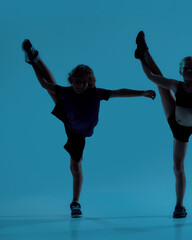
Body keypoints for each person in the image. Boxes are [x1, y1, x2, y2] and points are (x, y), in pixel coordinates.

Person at [22, 39, 156, 218]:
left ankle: (35, 58)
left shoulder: (96, 94)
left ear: (90, 82)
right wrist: (31, 65)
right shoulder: (68, 91)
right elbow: (45, 84)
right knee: (76, 166)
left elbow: (119, 92)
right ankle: (75, 203)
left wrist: (142, 93)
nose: (79, 84)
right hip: (73, 126)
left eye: (84, 82)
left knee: (52, 89)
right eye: (76, 81)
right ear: (71, 80)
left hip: (76, 126)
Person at [134, 31, 192, 218]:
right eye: (186, 67)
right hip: (173, 117)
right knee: (160, 81)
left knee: (178, 168)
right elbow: (152, 78)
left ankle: (179, 205)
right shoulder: (177, 85)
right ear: (181, 71)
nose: (189, 70)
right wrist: (140, 62)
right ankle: (143, 52)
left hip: (182, 133)